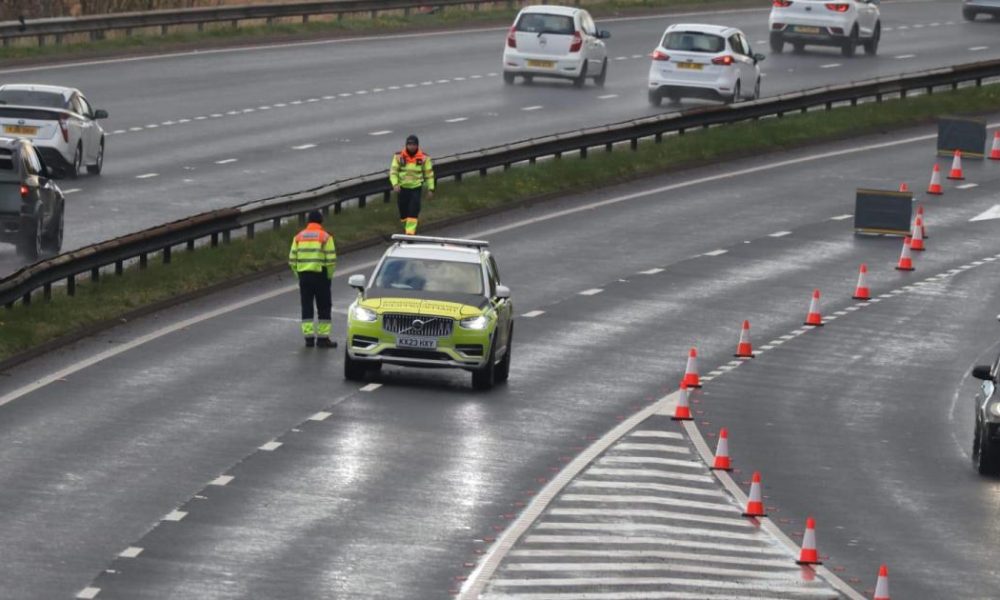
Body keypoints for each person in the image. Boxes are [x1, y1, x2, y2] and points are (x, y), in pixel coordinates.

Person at [288, 210, 337, 348]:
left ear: (308, 222)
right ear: (321, 222)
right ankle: (322, 339)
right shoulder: (325, 237)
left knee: (307, 306)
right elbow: (331, 260)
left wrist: (299, 275)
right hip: (321, 275)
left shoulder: (298, 237)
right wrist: (329, 276)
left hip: (304, 276)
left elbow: (292, 260)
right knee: (324, 306)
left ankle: (308, 338)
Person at [389, 134, 435, 235]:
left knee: (413, 211)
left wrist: (431, 189)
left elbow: (429, 174)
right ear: (406, 145)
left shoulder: (424, 157)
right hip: (402, 188)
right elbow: (393, 172)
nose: (411, 146)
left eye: (414, 144)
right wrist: (395, 184)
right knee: (403, 213)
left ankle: (410, 234)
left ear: (417, 145)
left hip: (416, 188)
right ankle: (408, 228)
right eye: (409, 144)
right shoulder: (398, 156)